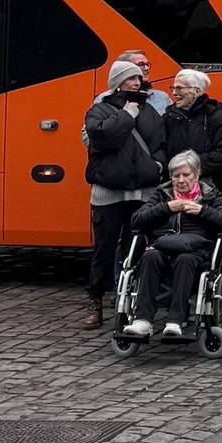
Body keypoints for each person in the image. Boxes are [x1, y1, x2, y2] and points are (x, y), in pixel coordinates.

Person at [82, 59, 168, 330]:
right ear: (117, 82)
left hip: (141, 191)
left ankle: (130, 300)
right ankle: (96, 301)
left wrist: (157, 165)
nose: (137, 82)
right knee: (104, 250)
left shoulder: (150, 111)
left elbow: (159, 142)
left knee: (137, 248)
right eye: (131, 78)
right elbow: (100, 138)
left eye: (138, 78)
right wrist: (127, 115)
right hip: (108, 193)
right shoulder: (99, 109)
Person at [121, 150, 222, 340]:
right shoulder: (162, 194)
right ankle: (142, 320)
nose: (181, 180)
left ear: (197, 175)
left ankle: (175, 320)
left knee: (185, 259)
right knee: (150, 256)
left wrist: (202, 210)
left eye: (186, 175)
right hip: (163, 247)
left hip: (195, 252)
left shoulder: (210, 196)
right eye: (176, 176)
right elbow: (136, 220)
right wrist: (166, 208)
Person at [160, 69, 222, 203]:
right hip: (174, 191)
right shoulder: (167, 118)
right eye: (173, 88)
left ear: (196, 91)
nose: (174, 93)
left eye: (179, 88)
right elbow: (160, 150)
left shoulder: (216, 117)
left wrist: (191, 166)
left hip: (209, 193)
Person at [118, 49, 170, 114]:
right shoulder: (108, 98)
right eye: (141, 64)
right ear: (126, 69)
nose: (146, 68)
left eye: (147, 64)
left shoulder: (162, 97)